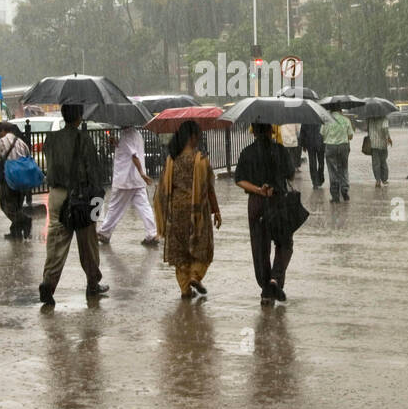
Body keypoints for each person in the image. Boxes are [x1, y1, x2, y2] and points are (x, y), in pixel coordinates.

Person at [38, 103, 109, 306]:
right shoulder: (84, 139)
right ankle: (93, 283)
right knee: (88, 242)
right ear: (79, 116)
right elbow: (93, 171)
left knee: (56, 241)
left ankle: (48, 283)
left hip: (56, 195)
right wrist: (97, 196)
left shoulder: (50, 140)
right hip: (80, 197)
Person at [154, 120, 221, 298]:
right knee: (203, 248)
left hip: (175, 212)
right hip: (197, 212)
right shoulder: (201, 161)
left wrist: (164, 214)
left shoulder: (171, 161)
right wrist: (217, 211)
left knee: (180, 252)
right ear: (192, 137)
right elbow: (209, 189)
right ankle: (195, 276)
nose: (199, 139)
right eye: (198, 136)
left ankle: (185, 289)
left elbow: (162, 189)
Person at [234, 122, 292, 302]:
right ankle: (275, 279)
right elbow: (290, 173)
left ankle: (266, 288)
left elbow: (239, 180)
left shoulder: (247, 153)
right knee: (284, 243)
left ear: (253, 132)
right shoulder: (280, 151)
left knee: (260, 247)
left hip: (256, 203)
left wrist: (258, 190)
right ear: (270, 130)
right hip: (278, 201)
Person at [98, 125, 159, 247]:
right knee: (144, 207)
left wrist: (142, 173)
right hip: (135, 180)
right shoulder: (135, 134)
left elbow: (134, 156)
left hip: (125, 179)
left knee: (115, 207)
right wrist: (116, 143)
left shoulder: (127, 135)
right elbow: (128, 151)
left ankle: (104, 232)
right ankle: (152, 234)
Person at [0, 121, 33, 240]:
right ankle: (16, 232)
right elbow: (28, 156)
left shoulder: (0, 143)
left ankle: (25, 220)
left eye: (0, 131)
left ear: (3, 131)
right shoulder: (21, 142)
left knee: (5, 205)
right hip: (22, 178)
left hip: (8, 178)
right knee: (17, 205)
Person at [321, 107, 354, 202]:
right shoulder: (346, 120)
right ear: (340, 110)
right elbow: (350, 136)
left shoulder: (326, 120)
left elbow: (322, 134)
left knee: (332, 171)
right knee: (343, 168)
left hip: (330, 147)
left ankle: (335, 195)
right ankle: (344, 190)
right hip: (343, 146)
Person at [366, 115, 392, 186]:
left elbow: (367, 129)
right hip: (382, 144)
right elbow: (385, 129)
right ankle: (384, 180)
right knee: (383, 161)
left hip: (373, 144)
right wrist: (388, 138)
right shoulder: (384, 118)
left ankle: (377, 180)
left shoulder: (370, 119)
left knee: (375, 163)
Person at [299, 121, 325, 189]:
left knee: (312, 163)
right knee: (321, 162)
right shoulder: (321, 119)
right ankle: (320, 178)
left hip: (310, 143)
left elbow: (302, 133)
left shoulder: (306, 120)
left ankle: (315, 182)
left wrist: (303, 145)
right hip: (320, 143)